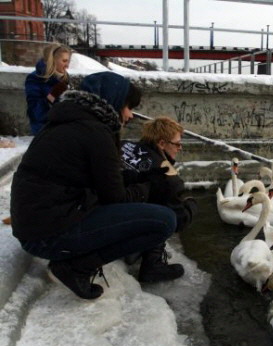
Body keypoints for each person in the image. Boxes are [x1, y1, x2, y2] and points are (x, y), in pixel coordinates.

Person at [11, 71, 184, 301]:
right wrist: (150, 187)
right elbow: (116, 198)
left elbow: (103, 180)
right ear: (113, 101)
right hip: (47, 236)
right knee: (164, 221)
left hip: (36, 226)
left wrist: (139, 178)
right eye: (128, 107)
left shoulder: (68, 123)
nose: (130, 115)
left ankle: (78, 262)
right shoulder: (96, 133)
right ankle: (78, 267)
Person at [121, 116, 198, 236]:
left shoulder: (122, 145)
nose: (180, 148)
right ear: (162, 143)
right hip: (134, 233)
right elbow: (180, 220)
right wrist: (191, 204)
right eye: (177, 144)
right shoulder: (166, 176)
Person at [25, 44, 72, 135]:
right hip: (44, 129)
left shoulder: (64, 78)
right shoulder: (34, 78)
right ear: (53, 60)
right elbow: (35, 112)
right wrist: (53, 95)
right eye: (64, 61)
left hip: (63, 126)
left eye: (68, 61)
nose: (67, 66)